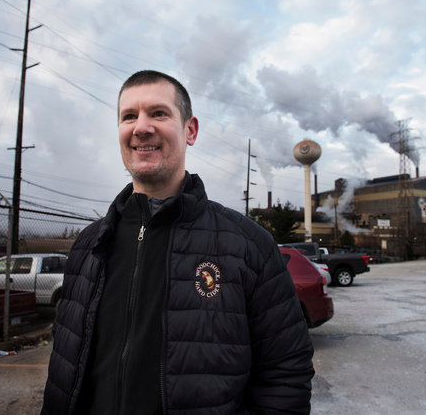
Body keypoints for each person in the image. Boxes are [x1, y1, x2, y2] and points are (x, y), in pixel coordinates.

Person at [42, 70, 314, 414]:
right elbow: (64, 371)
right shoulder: (88, 246)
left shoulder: (249, 245)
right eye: (129, 116)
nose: (141, 127)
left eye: (158, 113)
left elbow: (287, 373)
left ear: (190, 130)